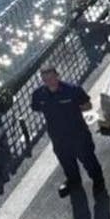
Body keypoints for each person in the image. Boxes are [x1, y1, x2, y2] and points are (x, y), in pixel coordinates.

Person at [31, 66, 105, 197]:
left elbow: (88, 105)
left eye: (51, 77)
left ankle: (98, 181)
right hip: (58, 137)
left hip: (78, 134)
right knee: (66, 162)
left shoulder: (72, 90)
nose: (49, 81)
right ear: (42, 80)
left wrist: (72, 108)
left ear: (57, 75)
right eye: (45, 79)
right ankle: (73, 182)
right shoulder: (38, 95)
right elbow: (36, 107)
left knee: (88, 159)